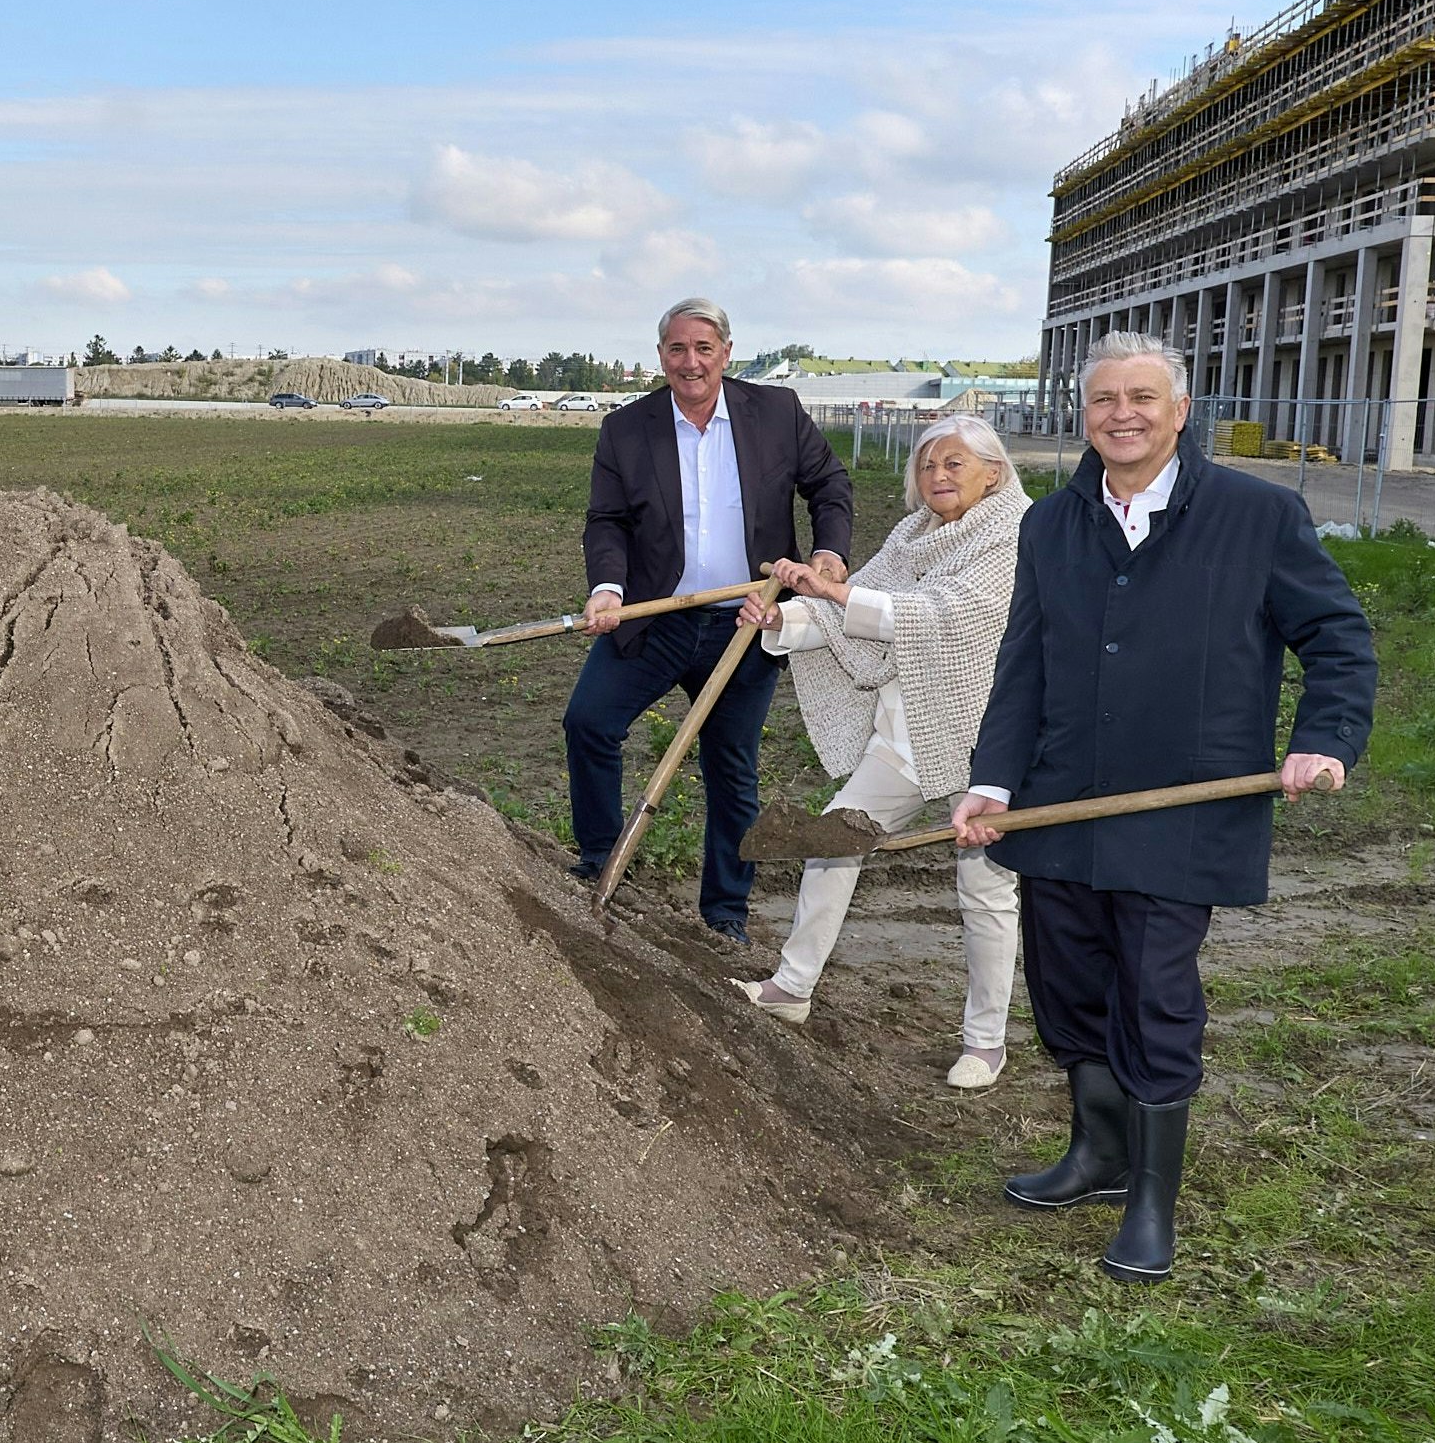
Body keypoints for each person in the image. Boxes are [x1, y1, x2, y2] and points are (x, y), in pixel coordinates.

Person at [951, 332, 1374, 1283]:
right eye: (1103, 400)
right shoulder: (1051, 524)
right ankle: (1096, 1156)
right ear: (1084, 414)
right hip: (1061, 803)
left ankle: (1151, 1200)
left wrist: (1324, 740)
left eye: (1142, 397)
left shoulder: (1256, 515)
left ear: (1179, 411)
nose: (1121, 414)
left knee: (1154, 993)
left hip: (1182, 806)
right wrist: (993, 778)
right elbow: (1023, 663)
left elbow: (1338, 641)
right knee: (1067, 990)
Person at [729, 415, 1029, 1088]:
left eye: (954, 464)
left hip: (988, 740)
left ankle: (984, 1043)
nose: (937, 477)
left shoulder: (1015, 535)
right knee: (834, 838)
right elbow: (851, 610)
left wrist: (837, 593)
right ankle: (791, 987)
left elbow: (943, 615)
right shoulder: (912, 534)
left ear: (993, 471)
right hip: (909, 730)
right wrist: (784, 617)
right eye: (927, 466)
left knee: (985, 886)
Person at [567, 297, 856, 943]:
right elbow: (607, 520)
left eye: (703, 348)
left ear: (726, 353)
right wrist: (607, 587)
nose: (690, 361)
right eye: (676, 348)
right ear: (661, 356)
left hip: (745, 624)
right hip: (656, 618)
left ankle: (724, 913)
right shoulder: (626, 428)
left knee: (730, 768)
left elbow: (828, 484)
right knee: (587, 722)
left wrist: (828, 553)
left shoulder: (774, 413)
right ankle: (595, 861)